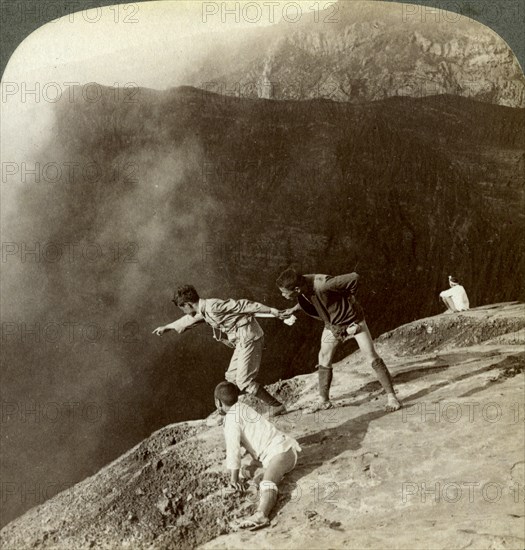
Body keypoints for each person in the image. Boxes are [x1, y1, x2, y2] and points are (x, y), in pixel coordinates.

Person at [276, 268, 401, 413]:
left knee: (371, 356)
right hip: (333, 326)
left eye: (284, 292)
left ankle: (392, 397)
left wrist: (349, 301)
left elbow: (355, 278)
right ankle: (324, 401)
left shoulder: (323, 284)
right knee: (323, 357)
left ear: (296, 289)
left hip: (353, 322)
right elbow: (311, 298)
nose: (283, 295)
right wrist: (294, 309)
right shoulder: (304, 286)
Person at [153, 285, 286, 416]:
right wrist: (167, 327)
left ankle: (277, 406)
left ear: (187, 304)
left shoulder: (213, 306)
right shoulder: (204, 310)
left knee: (243, 381)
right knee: (231, 378)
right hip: (242, 340)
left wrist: (271, 310)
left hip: (249, 337)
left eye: (182, 308)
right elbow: (190, 319)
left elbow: (243, 304)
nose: (183, 311)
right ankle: (230, 413)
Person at [214, 381, 301, 530]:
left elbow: (233, 450)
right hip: (278, 450)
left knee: (267, 482)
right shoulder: (242, 407)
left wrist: (233, 479)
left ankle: (262, 515)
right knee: (248, 470)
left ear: (218, 402)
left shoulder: (231, 420)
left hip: (281, 453)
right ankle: (258, 478)